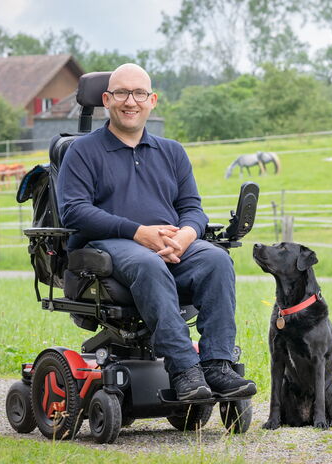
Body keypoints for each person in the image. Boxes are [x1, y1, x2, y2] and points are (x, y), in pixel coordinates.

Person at [57, 63, 256, 400]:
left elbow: (193, 208)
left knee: (216, 260)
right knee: (148, 263)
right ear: (106, 99)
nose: (130, 101)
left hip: (171, 245)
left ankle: (217, 365)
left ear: (152, 100)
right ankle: (184, 369)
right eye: (121, 93)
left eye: (139, 94)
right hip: (109, 246)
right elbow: (73, 210)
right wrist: (138, 232)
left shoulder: (172, 152)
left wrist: (187, 235)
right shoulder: (82, 151)